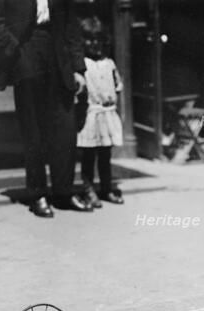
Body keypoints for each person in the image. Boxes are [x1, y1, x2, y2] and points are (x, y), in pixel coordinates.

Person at [0, 0, 93, 217]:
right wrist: (13, 49)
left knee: (65, 127)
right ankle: (37, 194)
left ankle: (63, 192)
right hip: (25, 52)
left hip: (58, 54)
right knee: (33, 130)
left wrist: (78, 68)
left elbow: (71, 25)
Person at [76, 17, 124, 208]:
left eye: (98, 40)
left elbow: (117, 87)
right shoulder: (83, 64)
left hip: (107, 114)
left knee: (105, 155)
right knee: (89, 156)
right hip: (90, 115)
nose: (94, 44)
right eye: (89, 39)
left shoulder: (109, 63)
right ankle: (89, 190)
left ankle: (107, 188)